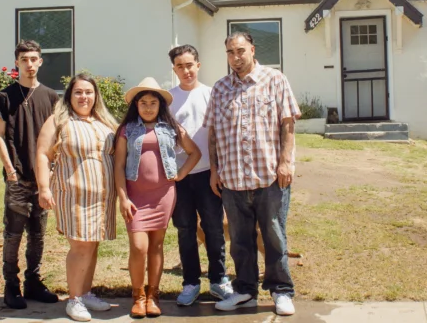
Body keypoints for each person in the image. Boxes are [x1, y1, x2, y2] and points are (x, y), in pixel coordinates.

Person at [204, 31, 301, 317]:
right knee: (240, 240)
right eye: (231, 52)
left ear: (252, 50)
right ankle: (245, 290)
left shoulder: (275, 80)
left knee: (274, 236)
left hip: (269, 176)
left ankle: (281, 291)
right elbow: (212, 133)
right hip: (232, 181)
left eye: (241, 50)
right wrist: (214, 169)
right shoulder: (220, 88)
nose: (236, 57)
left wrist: (286, 162)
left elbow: (288, 124)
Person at [114, 77, 202, 318]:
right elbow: (119, 165)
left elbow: (195, 152)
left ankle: (152, 296)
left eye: (154, 102)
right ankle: (138, 295)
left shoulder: (171, 127)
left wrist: (181, 173)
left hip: (163, 195)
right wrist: (123, 198)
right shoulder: (126, 129)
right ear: (136, 105)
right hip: (135, 197)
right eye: (144, 103)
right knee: (139, 246)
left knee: (156, 245)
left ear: (161, 105)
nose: (149, 107)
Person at [34, 73, 119, 322]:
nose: (84, 96)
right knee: (80, 245)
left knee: (92, 244)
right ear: (69, 95)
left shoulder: (104, 122)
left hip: (103, 196)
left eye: (89, 92)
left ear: (96, 96)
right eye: (78, 92)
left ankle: (87, 292)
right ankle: (74, 299)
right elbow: (42, 154)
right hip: (73, 194)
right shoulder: (58, 121)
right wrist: (43, 187)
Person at [0, 40, 60, 309]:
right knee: (13, 233)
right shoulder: (6, 96)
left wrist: (53, 169)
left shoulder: (50, 97)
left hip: (42, 179)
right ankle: (11, 285)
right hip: (18, 176)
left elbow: (56, 138)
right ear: (17, 63)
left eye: (34, 59)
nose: (30, 64)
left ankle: (33, 281)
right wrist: (10, 170)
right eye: (24, 59)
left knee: (38, 234)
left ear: (40, 61)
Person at [167, 45, 232, 306]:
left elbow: (219, 133)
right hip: (180, 177)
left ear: (198, 65)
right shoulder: (168, 100)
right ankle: (190, 282)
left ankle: (219, 280)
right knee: (185, 229)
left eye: (190, 65)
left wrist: (218, 170)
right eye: (180, 66)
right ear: (174, 69)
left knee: (214, 229)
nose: (186, 71)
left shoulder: (211, 94)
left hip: (208, 173)